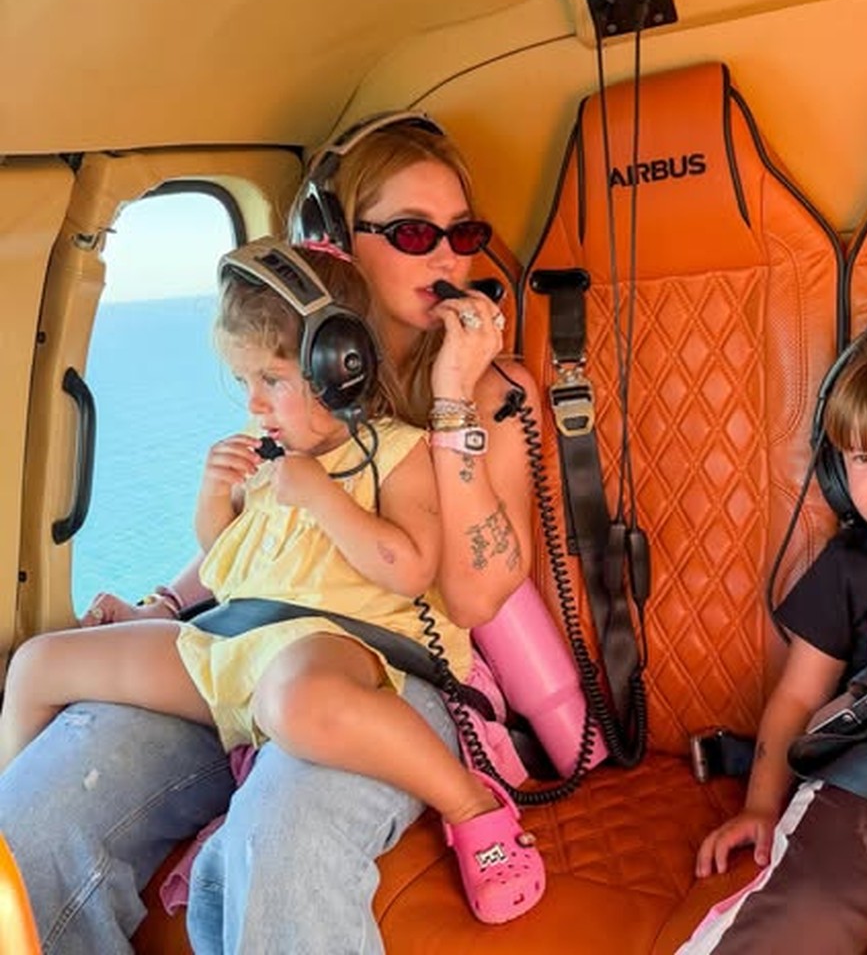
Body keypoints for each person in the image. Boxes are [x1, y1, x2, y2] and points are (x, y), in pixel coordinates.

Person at [0, 113, 544, 954]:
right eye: (412, 232)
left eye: (462, 234)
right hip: (242, 647)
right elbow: (265, 543)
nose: (446, 257)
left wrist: (450, 398)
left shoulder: (494, 394)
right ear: (335, 241)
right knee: (38, 811)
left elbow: (474, 592)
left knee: (279, 841)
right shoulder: (295, 384)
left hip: (384, 678)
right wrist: (159, 604)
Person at [680, 315, 867, 954]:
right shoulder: (852, 563)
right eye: (863, 457)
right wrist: (761, 805)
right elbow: (797, 697)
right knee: (791, 924)